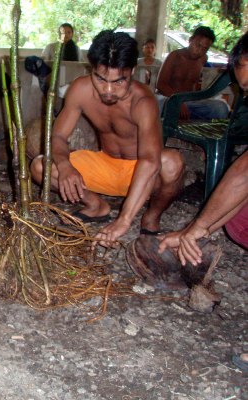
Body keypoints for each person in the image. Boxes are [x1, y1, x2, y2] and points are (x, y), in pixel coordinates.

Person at [30, 30, 184, 247]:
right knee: (39, 166)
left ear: (131, 71)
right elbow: (58, 135)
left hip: (141, 174)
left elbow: (150, 161)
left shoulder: (143, 101)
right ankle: (96, 205)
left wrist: (124, 220)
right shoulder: (81, 90)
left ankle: (151, 216)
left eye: (119, 81)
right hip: (106, 164)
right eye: (101, 79)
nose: (108, 90)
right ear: (91, 69)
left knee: (172, 162)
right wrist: (65, 166)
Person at [159, 31, 248, 373]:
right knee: (238, 221)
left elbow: (243, 173)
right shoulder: (178, 59)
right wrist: (195, 230)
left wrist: (195, 229)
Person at [156, 26, 229, 120]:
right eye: (198, 45)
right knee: (169, 107)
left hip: (189, 102)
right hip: (168, 100)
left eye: (204, 49)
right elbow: (160, 84)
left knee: (220, 108)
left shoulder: (203, 59)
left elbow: (194, 84)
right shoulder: (175, 56)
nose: (199, 51)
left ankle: (189, 119)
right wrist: (178, 101)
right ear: (190, 40)